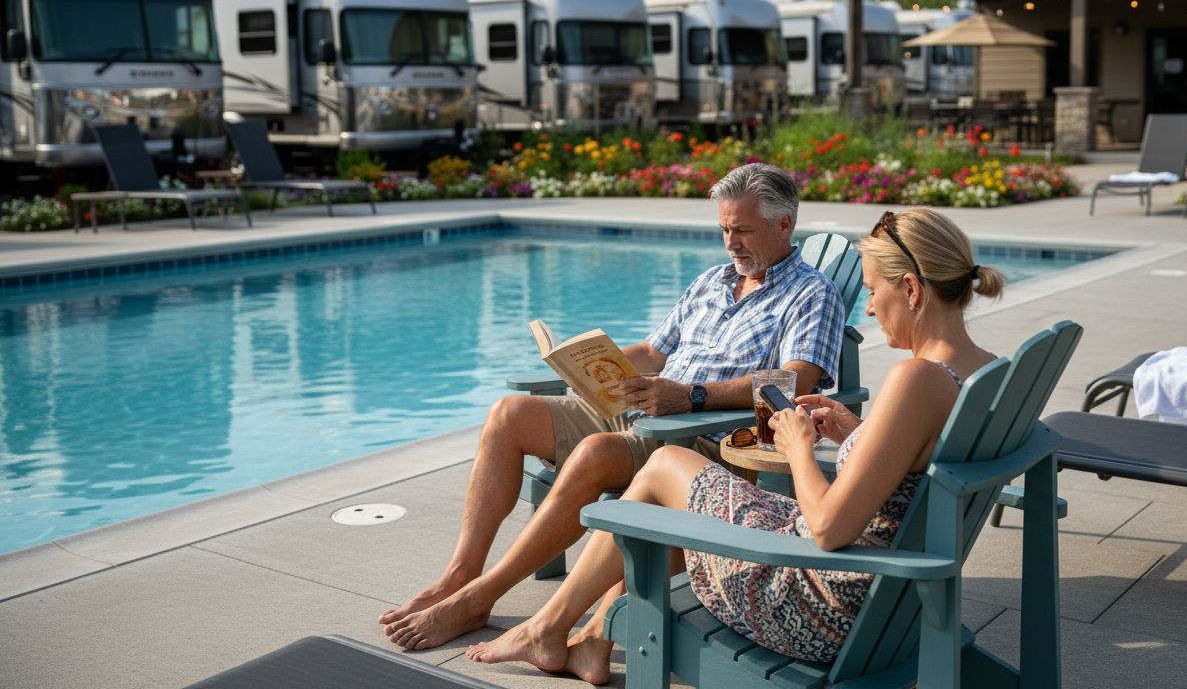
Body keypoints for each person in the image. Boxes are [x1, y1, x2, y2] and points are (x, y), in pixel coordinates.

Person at [462, 207, 1005, 684]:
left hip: (827, 605)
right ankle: (583, 636)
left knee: (663, 475)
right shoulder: (987, 372)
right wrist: (851, 430)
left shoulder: (918, 378)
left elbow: (829, 528)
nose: (867, 307)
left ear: (911, 289)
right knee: (675, 480)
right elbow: (909, 463)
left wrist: (796, 445)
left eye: (872, 291)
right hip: (897, 600)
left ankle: (549, 629)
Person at [381, 162, 847, 650]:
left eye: (743, 231)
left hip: (700, 433)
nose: (731, 243)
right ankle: (460, 574)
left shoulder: (811, 294)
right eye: (725, 229)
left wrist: (691, 397)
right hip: (646, 405)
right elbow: (654, 352)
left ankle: (479, 600)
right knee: (507, 415)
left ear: (784, 225)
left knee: (596, 452)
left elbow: (793, 381)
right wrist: (588, 363)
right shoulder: (713, 280)